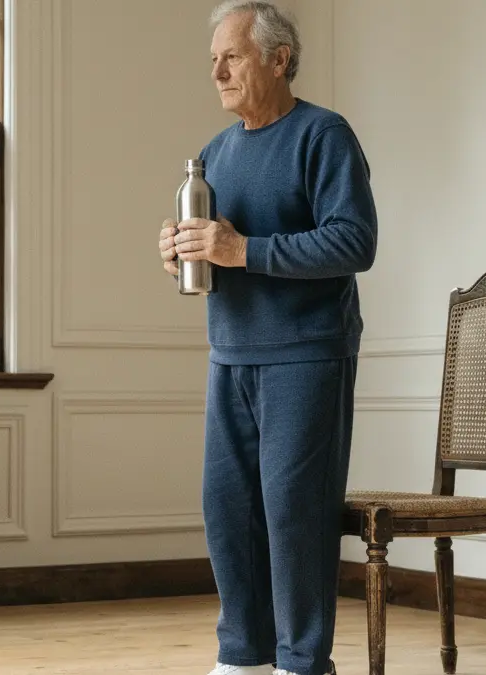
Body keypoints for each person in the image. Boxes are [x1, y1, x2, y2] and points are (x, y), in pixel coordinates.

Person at [157, 2, 378, 674]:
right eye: (214, 61)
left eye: (233, 56)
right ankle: (242, 657)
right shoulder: (215, 155)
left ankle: (302, 662)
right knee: (228, 515)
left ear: (278, 60)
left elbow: (353, 241)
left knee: (293, 517)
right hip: (230, 354)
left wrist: (241, 249)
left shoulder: (324, 135)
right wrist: (178, 250)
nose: (218, 71)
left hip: (307, 353)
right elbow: (217, 254)